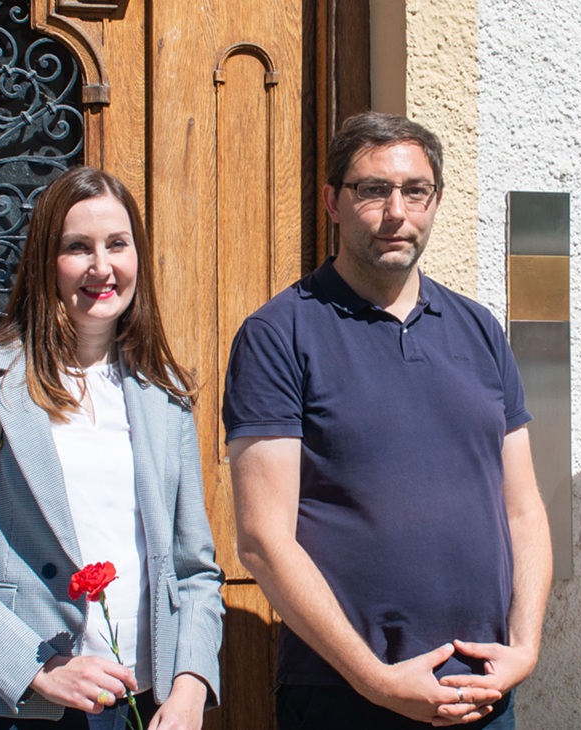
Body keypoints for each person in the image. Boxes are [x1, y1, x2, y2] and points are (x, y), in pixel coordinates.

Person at [225, 111, 550, 730]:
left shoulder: (479, 330)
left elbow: (524, 510)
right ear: (333, 202)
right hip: (343, 693)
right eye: (373, 190)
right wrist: (375, 681)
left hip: (479, 688)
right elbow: (263, 541)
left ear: (436, 201)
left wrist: (526, 650)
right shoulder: (280, 334)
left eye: (415, 191)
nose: (396, 211)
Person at [0, 167, 224, 730]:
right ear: (45, 261)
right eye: (78, 247)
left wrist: (192, 685)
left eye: (117, 245)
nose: (102, 267)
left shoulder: (164, 392)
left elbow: (195, 569)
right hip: (21, 707)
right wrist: (38, 668)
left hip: (147, 704)